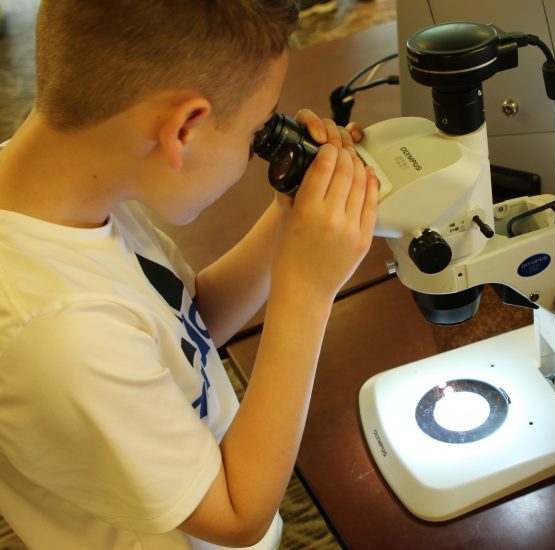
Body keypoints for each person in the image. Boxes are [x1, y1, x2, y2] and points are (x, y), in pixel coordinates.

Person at [0, 1, 378, 548]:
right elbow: (237, 518)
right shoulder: (59, 334)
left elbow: (186, 328)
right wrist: (309, 293)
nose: (258, 145)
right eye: (255, 131)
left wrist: (288, 216)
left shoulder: (74, 187)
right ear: (183, 130)